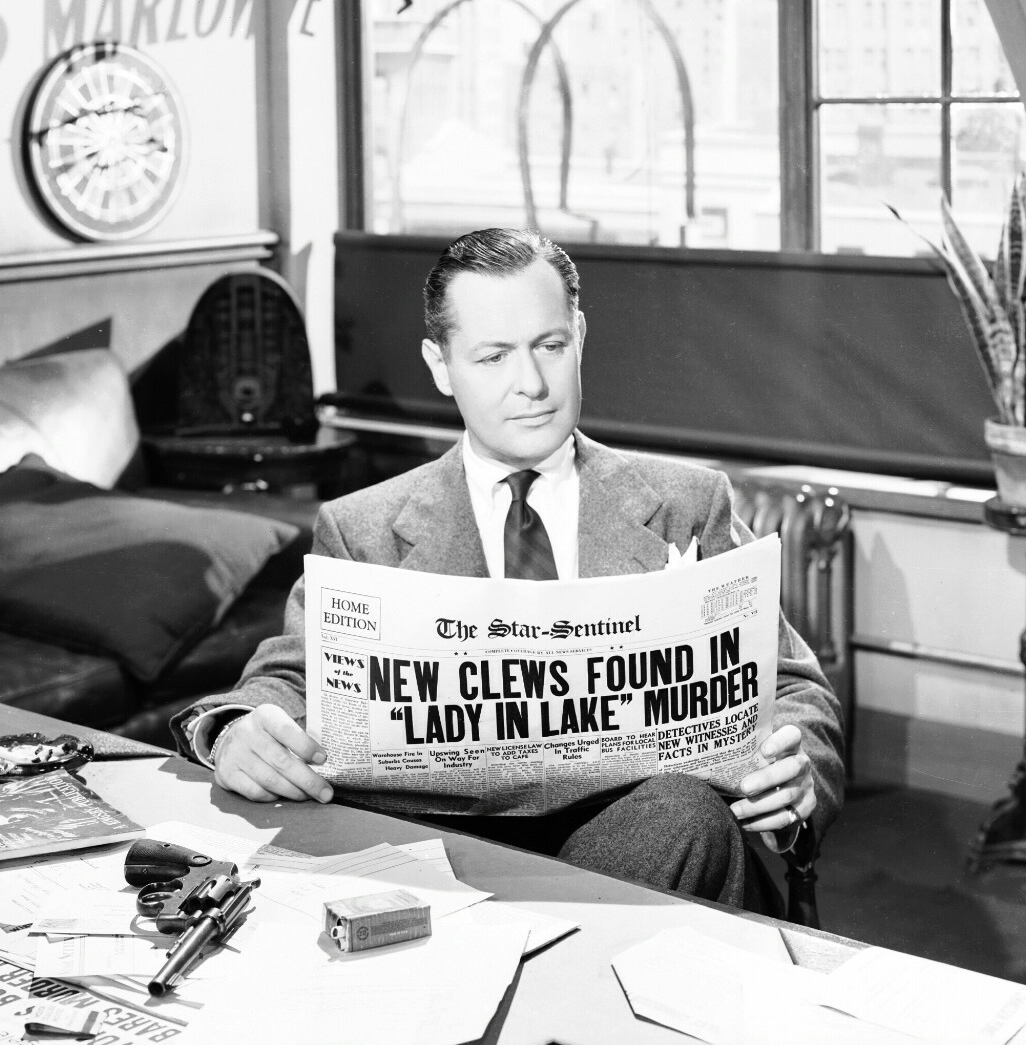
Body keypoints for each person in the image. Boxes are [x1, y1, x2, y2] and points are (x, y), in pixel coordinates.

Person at [171, 228, 844, 912]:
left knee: (682, 815)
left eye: (550, 347)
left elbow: (792, 684)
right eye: (493, 357)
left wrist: (795, 769)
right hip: (437, 840)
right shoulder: (366, 526)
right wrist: (234, 731)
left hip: (635, 831)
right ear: (440, 365)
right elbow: (288, 679)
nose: (532, 385)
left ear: (578, 335)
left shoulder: (685, 504)